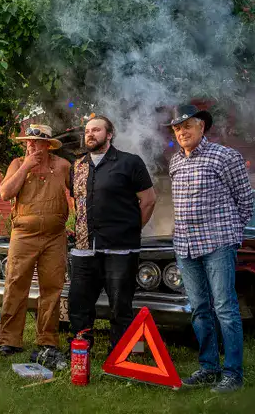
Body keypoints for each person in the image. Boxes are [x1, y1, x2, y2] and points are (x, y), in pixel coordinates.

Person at [166, 104, 253, 394]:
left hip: (218, 243)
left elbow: (245, 201)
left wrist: (230, 235)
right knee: (199, 309)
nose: (182, 132)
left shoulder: (225, 156)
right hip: (185, 245)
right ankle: (208, 367)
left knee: (225, 308)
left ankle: (233, 374)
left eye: (187, 126)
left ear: (201, 126)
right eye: (177, 128)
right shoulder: (175, 162)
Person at [67, 116, 156, 354]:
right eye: (87, 130)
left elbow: (148, 200)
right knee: (78, 302)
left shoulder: (130, 162)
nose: (90, 134)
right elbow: (76, 201)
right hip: (85, 247)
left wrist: (132, 229)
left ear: (109, 134)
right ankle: (81, 349)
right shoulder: (78, 166)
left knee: (120, 305)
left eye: (96, 130)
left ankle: (120, 352)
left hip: (121, 248)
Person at [0, 124, 71, 360]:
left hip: (55, 237)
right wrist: (26, 166)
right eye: (27, 141)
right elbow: (5, 193)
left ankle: (47, 340)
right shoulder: (17, 163)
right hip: (23, 234)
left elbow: (78, 194)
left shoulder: (63, 166)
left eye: (35, 141)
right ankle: (9, 339)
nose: (30, 145)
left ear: (47, 145)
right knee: (15, 284)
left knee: (52, 288)